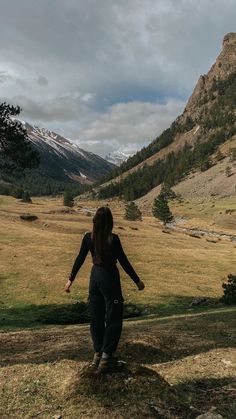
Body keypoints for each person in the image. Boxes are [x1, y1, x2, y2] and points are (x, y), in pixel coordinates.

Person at [64, 206, 145, 373]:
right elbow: (123, 261)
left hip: (94, 278)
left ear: (95, 222)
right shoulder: (113, 239)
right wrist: (137, 281)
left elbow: (79, 258)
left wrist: (70, 280)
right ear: (110, 223)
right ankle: (107, 358)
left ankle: (98, 354)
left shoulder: (88, 238)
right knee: (114, 316)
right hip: (109, 277)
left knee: (96, 316)